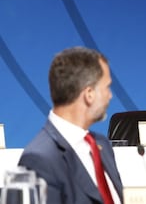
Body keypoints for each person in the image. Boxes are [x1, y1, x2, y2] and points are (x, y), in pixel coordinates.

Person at [18, 47, 123, 204]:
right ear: (89, 94)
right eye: (106, 87)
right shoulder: (39, 160)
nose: (110, 95)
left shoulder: (102, 145)